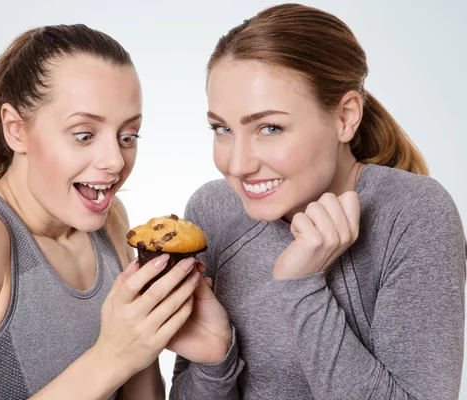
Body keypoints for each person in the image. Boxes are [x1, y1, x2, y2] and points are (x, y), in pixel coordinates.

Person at [0, 24, 204, 399]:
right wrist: (112, 356)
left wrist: (187, 347)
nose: (115, 161)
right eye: (84, 134)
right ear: (16, 130)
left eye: (128, 136)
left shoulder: (111, 222)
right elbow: (118, 360)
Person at [170, 4, 466, 399]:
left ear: (346, 117)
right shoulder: (213, 211)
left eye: (270, 128)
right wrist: (214, 362)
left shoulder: (413, 215)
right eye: (222, 128)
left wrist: (300, 288)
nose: (237, 165)